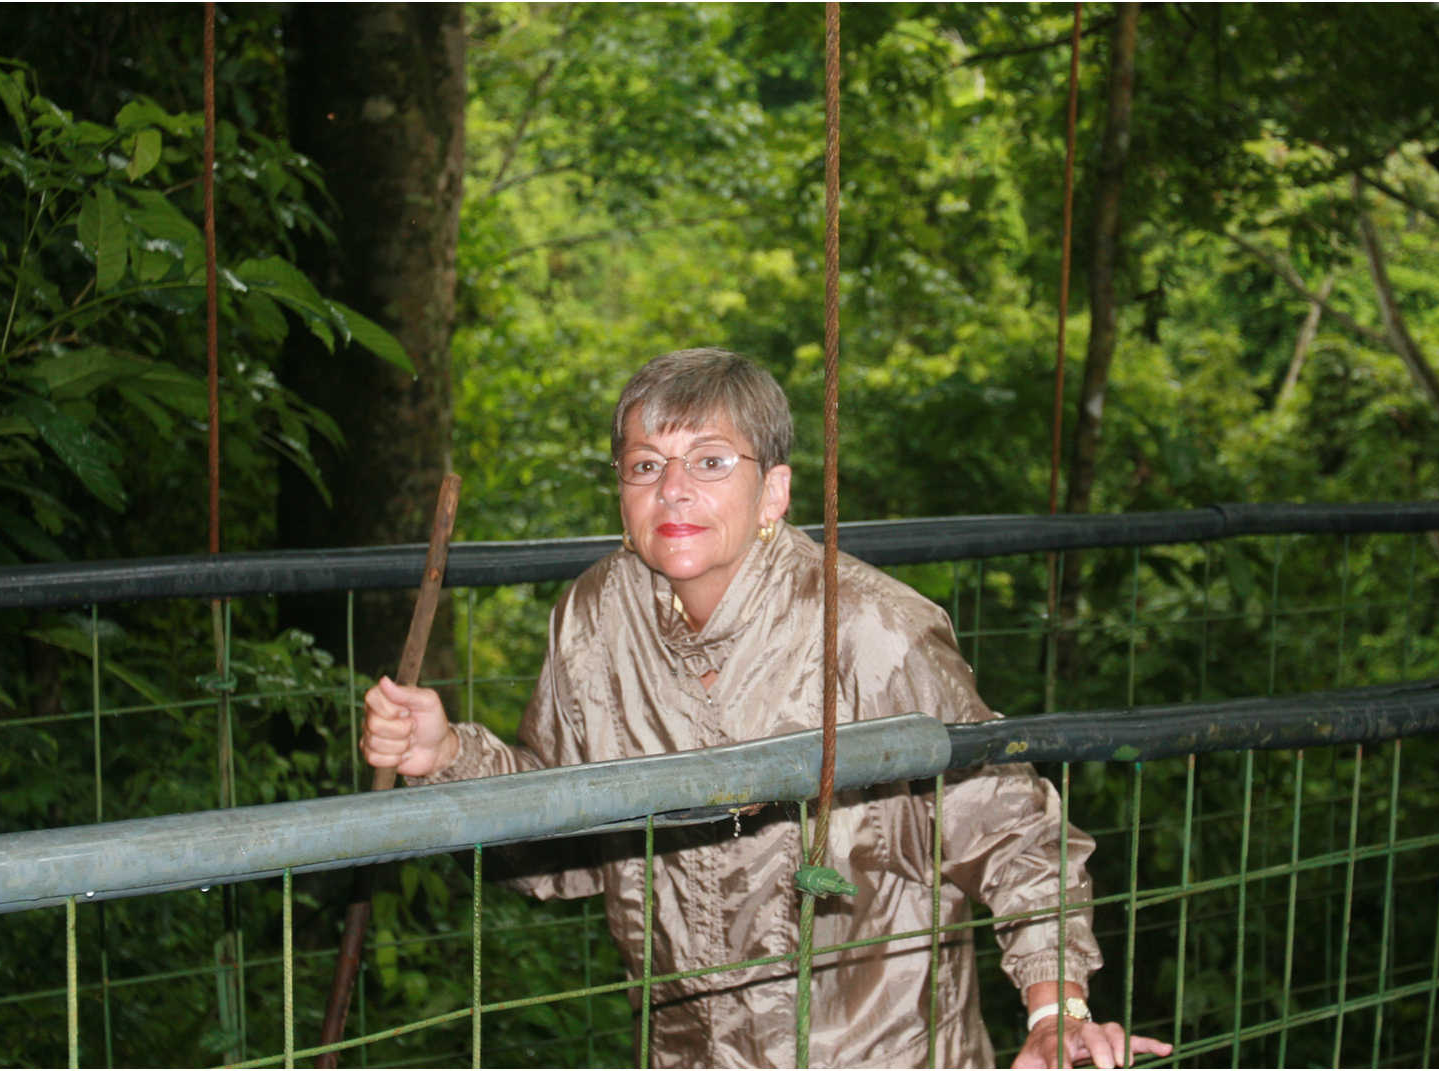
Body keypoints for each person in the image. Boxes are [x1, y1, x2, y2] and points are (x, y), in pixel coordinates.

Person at [363, 348, 1172, 1068]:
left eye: (710, 461)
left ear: (774, 491)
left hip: (881, 1050)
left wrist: (1055, 1008)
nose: (672, 489)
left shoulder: (869, 629)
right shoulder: (595, 616)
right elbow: (570, 843)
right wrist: (449, 756)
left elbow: (1011, 824)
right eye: (645, 466)